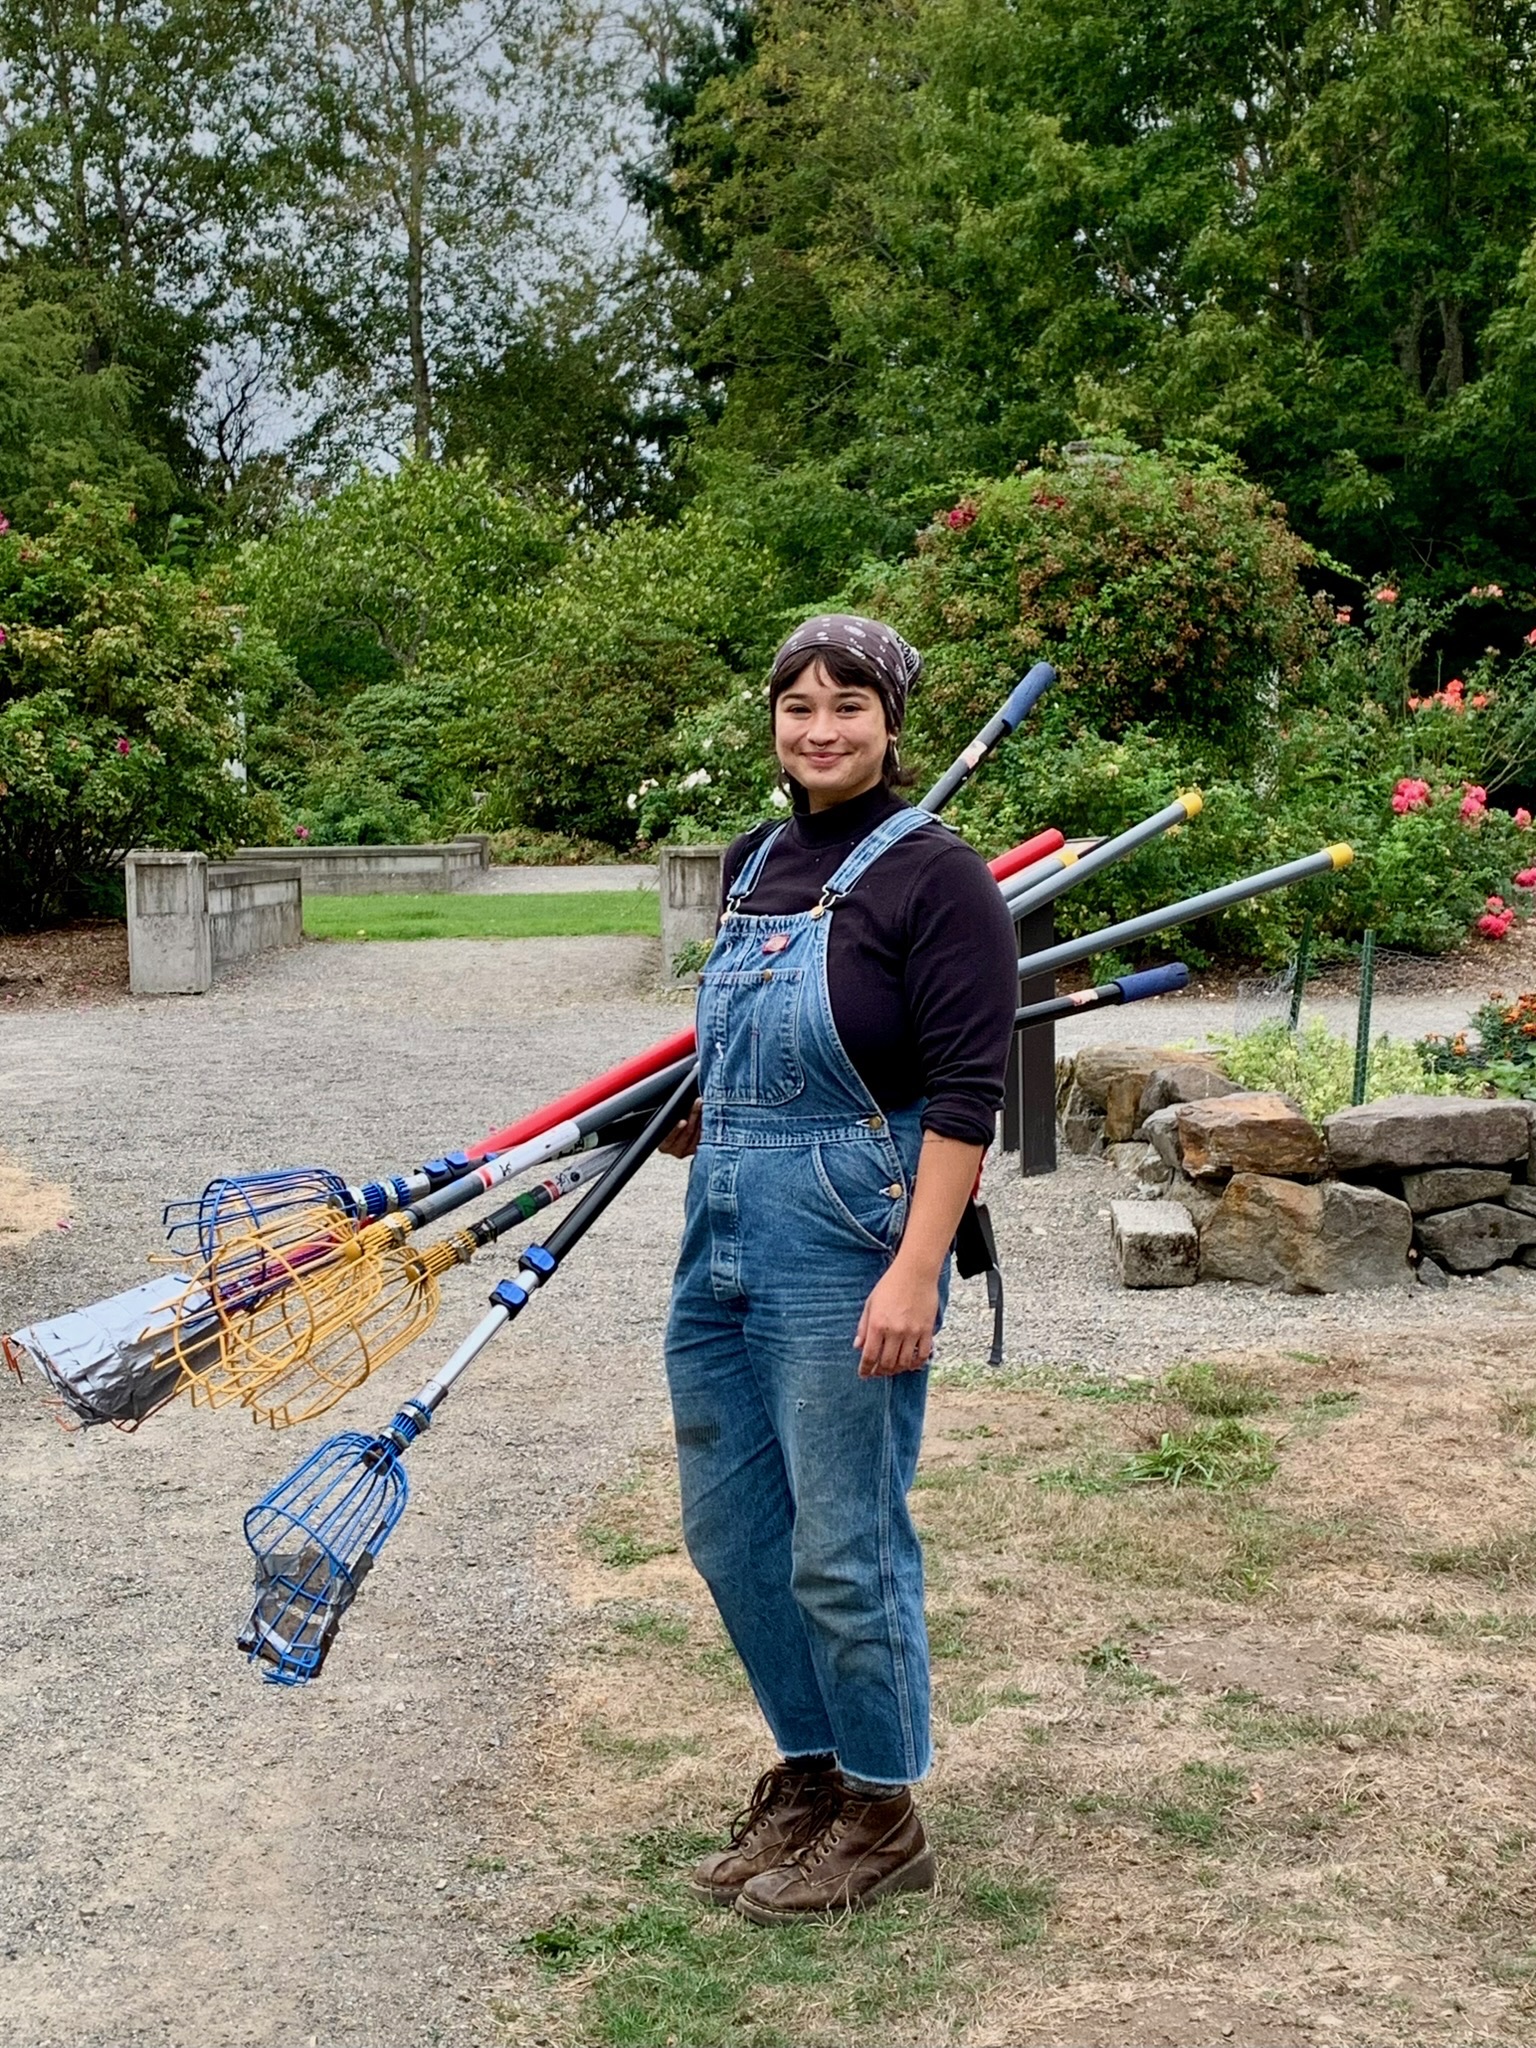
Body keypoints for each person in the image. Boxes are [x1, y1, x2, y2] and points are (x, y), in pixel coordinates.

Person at [659, 612, 1019, 1922]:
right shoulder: (753, 860)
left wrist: (916, 1272)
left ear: (890, 724)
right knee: (733, 1532)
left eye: (848, 706)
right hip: (723, 1225)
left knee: (844, 1544)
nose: (820, 727)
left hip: (849, 1235)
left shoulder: (940, 879)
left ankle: (882, 1807)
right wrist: (701, 1115)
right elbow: (738, 1045)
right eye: (799, 703)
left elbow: (972, 1097)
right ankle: (809, 1773)